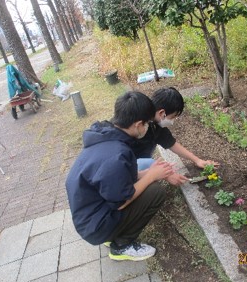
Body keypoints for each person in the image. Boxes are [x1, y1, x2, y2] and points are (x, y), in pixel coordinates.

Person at [65, 91, 174, 261]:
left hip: (90, 214)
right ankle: (122, 245)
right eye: (146, 124)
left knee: (146, 176)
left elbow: (113, 178)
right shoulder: (117, 154)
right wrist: (151, 177)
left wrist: (147, 173)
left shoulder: (104, 135)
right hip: (95, 227)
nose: (147, 127)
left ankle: (114, 232)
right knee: (155, 193)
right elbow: (121, 202)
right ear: (138, 124)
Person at [133, 87, 219, 186]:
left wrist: (197, 160)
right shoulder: (137, 127)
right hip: (127, 169)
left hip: (136, 165)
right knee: (155, 187)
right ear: (162, 113)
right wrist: (166, 175)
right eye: (173, 117)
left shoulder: (155, 125)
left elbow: (172, 144)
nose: (173, 121)